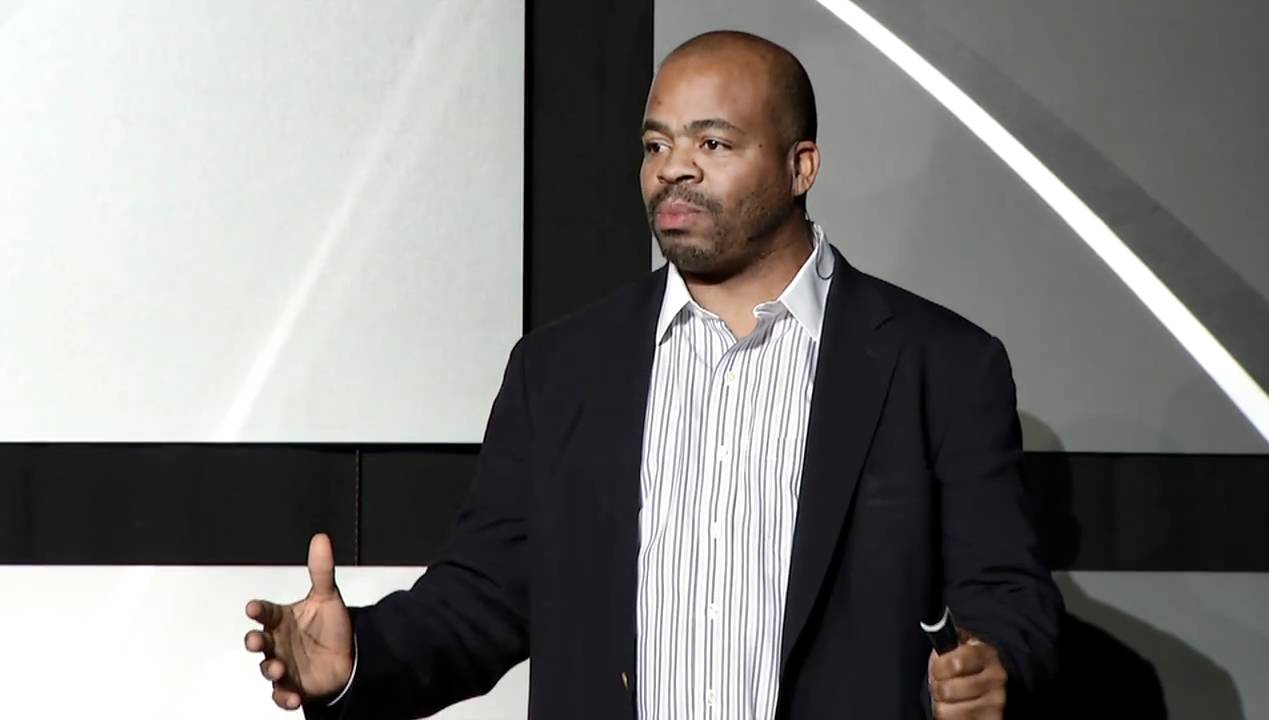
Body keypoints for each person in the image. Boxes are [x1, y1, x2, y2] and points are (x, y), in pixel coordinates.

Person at [244, 30, 1062, 719]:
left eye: (713, 143)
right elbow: (484, 599)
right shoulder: (559, 371)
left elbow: (1010, 603)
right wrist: (359, 658)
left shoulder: (939, 365)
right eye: (656, 145)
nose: (674, 168)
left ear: (801, 166)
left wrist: (993, 670)